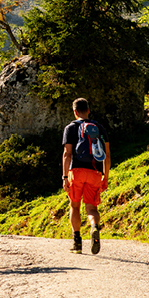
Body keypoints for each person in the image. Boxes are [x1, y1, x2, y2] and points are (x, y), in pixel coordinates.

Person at [61, 97, 109, 255]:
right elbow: (107, 155)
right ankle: (94, 226)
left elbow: (67, 154)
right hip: (95, 172)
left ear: (75, 112)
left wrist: (65, 177)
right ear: (88, 110)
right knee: (91, 207)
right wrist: (105, 176)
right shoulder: (99, 128)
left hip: (76, 172)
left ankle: (77, 242)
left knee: (75, 205)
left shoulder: (71, 128)